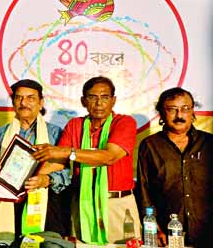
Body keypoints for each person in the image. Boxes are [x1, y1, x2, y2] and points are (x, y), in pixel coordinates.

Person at [32, 76, 141, 244]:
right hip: (83, 203)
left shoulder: (124, 122)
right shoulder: (75, 125)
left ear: (113, 100)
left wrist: (69, 152)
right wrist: (35, 179)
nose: (99, 103)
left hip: (117, 204)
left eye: (104, 97)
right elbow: (57, 161)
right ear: (83, 101)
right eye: (92, 97)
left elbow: (109, 157)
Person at [0, 79, 70, 239]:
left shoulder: (55, 133)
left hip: (44, 203)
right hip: (8, 206)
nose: (24, 103)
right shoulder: (2, 133)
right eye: (19, 98)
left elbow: (67, 173)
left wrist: (47, 180)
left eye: (30, 98)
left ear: (41, 102)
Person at [136, 87, 213, 247]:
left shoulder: (210, 143)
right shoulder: (150, 145)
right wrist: (154, 229)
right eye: (172, 110)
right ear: (161, 113)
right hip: (168, 234)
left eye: (185, 109)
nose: (179, 115)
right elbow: (144, 190)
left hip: (208, 232)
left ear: (192, 111)